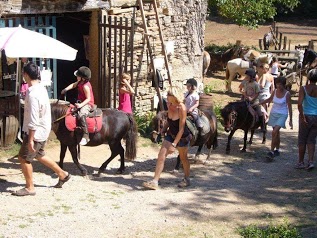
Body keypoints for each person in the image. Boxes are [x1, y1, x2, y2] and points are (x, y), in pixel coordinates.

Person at [12, 62, 71, 196]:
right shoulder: (41, 89)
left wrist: (30, 139)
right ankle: (63, 174)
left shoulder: (33, 94)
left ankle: (30, 187)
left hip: (35, 131)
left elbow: (33, 118)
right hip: (43, 129)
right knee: (40, 154)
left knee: (23, 158)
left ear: (26, 75)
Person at [143, 86, 192, 190]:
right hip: (171, 134)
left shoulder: (182, 108)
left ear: (174, 96)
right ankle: (155, 181)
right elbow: (169, 121)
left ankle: (187, 179)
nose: (167, 97)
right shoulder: (168, 105)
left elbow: (182, 128)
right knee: (161, 154)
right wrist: (162, 131)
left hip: (182, 136)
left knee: (183, 158)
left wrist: (174, 144)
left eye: (168, 95)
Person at [260, 76, 293, 159]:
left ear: (284, 85)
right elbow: (269, 100)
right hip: (274, 113)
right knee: (277, 133)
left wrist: (290, 120)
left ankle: (271, 151)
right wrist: (259, 103)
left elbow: (289, 107)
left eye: (280, 84)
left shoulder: (287, 94)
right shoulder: (274, 91)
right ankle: (277, 150)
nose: (279, 86)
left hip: (282, 114)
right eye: (277, 84)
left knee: (274, 132)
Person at [61, 66, 95, 146]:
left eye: (78, 75)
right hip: (81, 102)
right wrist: (65, 89)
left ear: (82, 78)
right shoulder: (80, 82)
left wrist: (80, 105)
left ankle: (86, 136)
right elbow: (73, 85)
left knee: (81, 115)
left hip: (87, 104)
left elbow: (88, 98)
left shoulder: (86, 86)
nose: (76, 76)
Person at [296, 69, 317, 170]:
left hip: (306, 115)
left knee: (302, 140)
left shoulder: (303, 89)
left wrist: (302, 116)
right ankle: (311, 161)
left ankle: (300, 162)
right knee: (311, 140)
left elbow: (299, 103)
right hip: (316, 117)